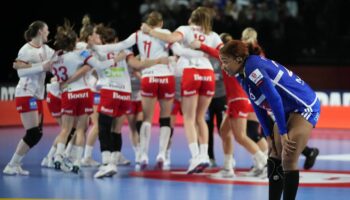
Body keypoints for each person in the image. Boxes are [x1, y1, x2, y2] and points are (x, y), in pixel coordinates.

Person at [219, 40, 321, 200]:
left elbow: (274, 100)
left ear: (238, 59)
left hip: (304, 105)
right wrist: (268, 135)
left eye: (225, 62)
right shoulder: (240, 73)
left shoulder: (253, 68)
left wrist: (283, 132)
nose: (223, 66)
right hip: (287, 107)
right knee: (274, 155)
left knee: (288, 157)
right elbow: (256, 103)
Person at [141, 7, 223, 174]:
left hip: (191, 72)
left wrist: (150, 30)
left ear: (191, 19)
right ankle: (204, 155)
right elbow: (223, 54)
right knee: (201, 118)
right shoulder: (213, 35)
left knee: (189, 118)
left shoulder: (185, 30)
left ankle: (195, 157)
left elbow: (170, 38)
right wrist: (203, 49)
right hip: (208, 74)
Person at [242, 27, 319, 170]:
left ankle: (265, 160)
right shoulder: (252, 55)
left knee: (278, 132)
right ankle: (307, 152)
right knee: (275, 131)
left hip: (269, 97)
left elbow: (265, 82)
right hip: (265, 98)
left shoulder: (254, 57)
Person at [3, 21, 55, 175]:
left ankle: (15, 164)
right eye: (47, 30)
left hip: (37, 95)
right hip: (25, 93)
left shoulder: (46, 49)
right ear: (40, 31)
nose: (48, 32)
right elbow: (20, 72)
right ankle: (12, 165)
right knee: (33, 133)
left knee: (37, 133)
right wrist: (42, 67)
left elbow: (59, 57)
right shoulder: (26, 50)